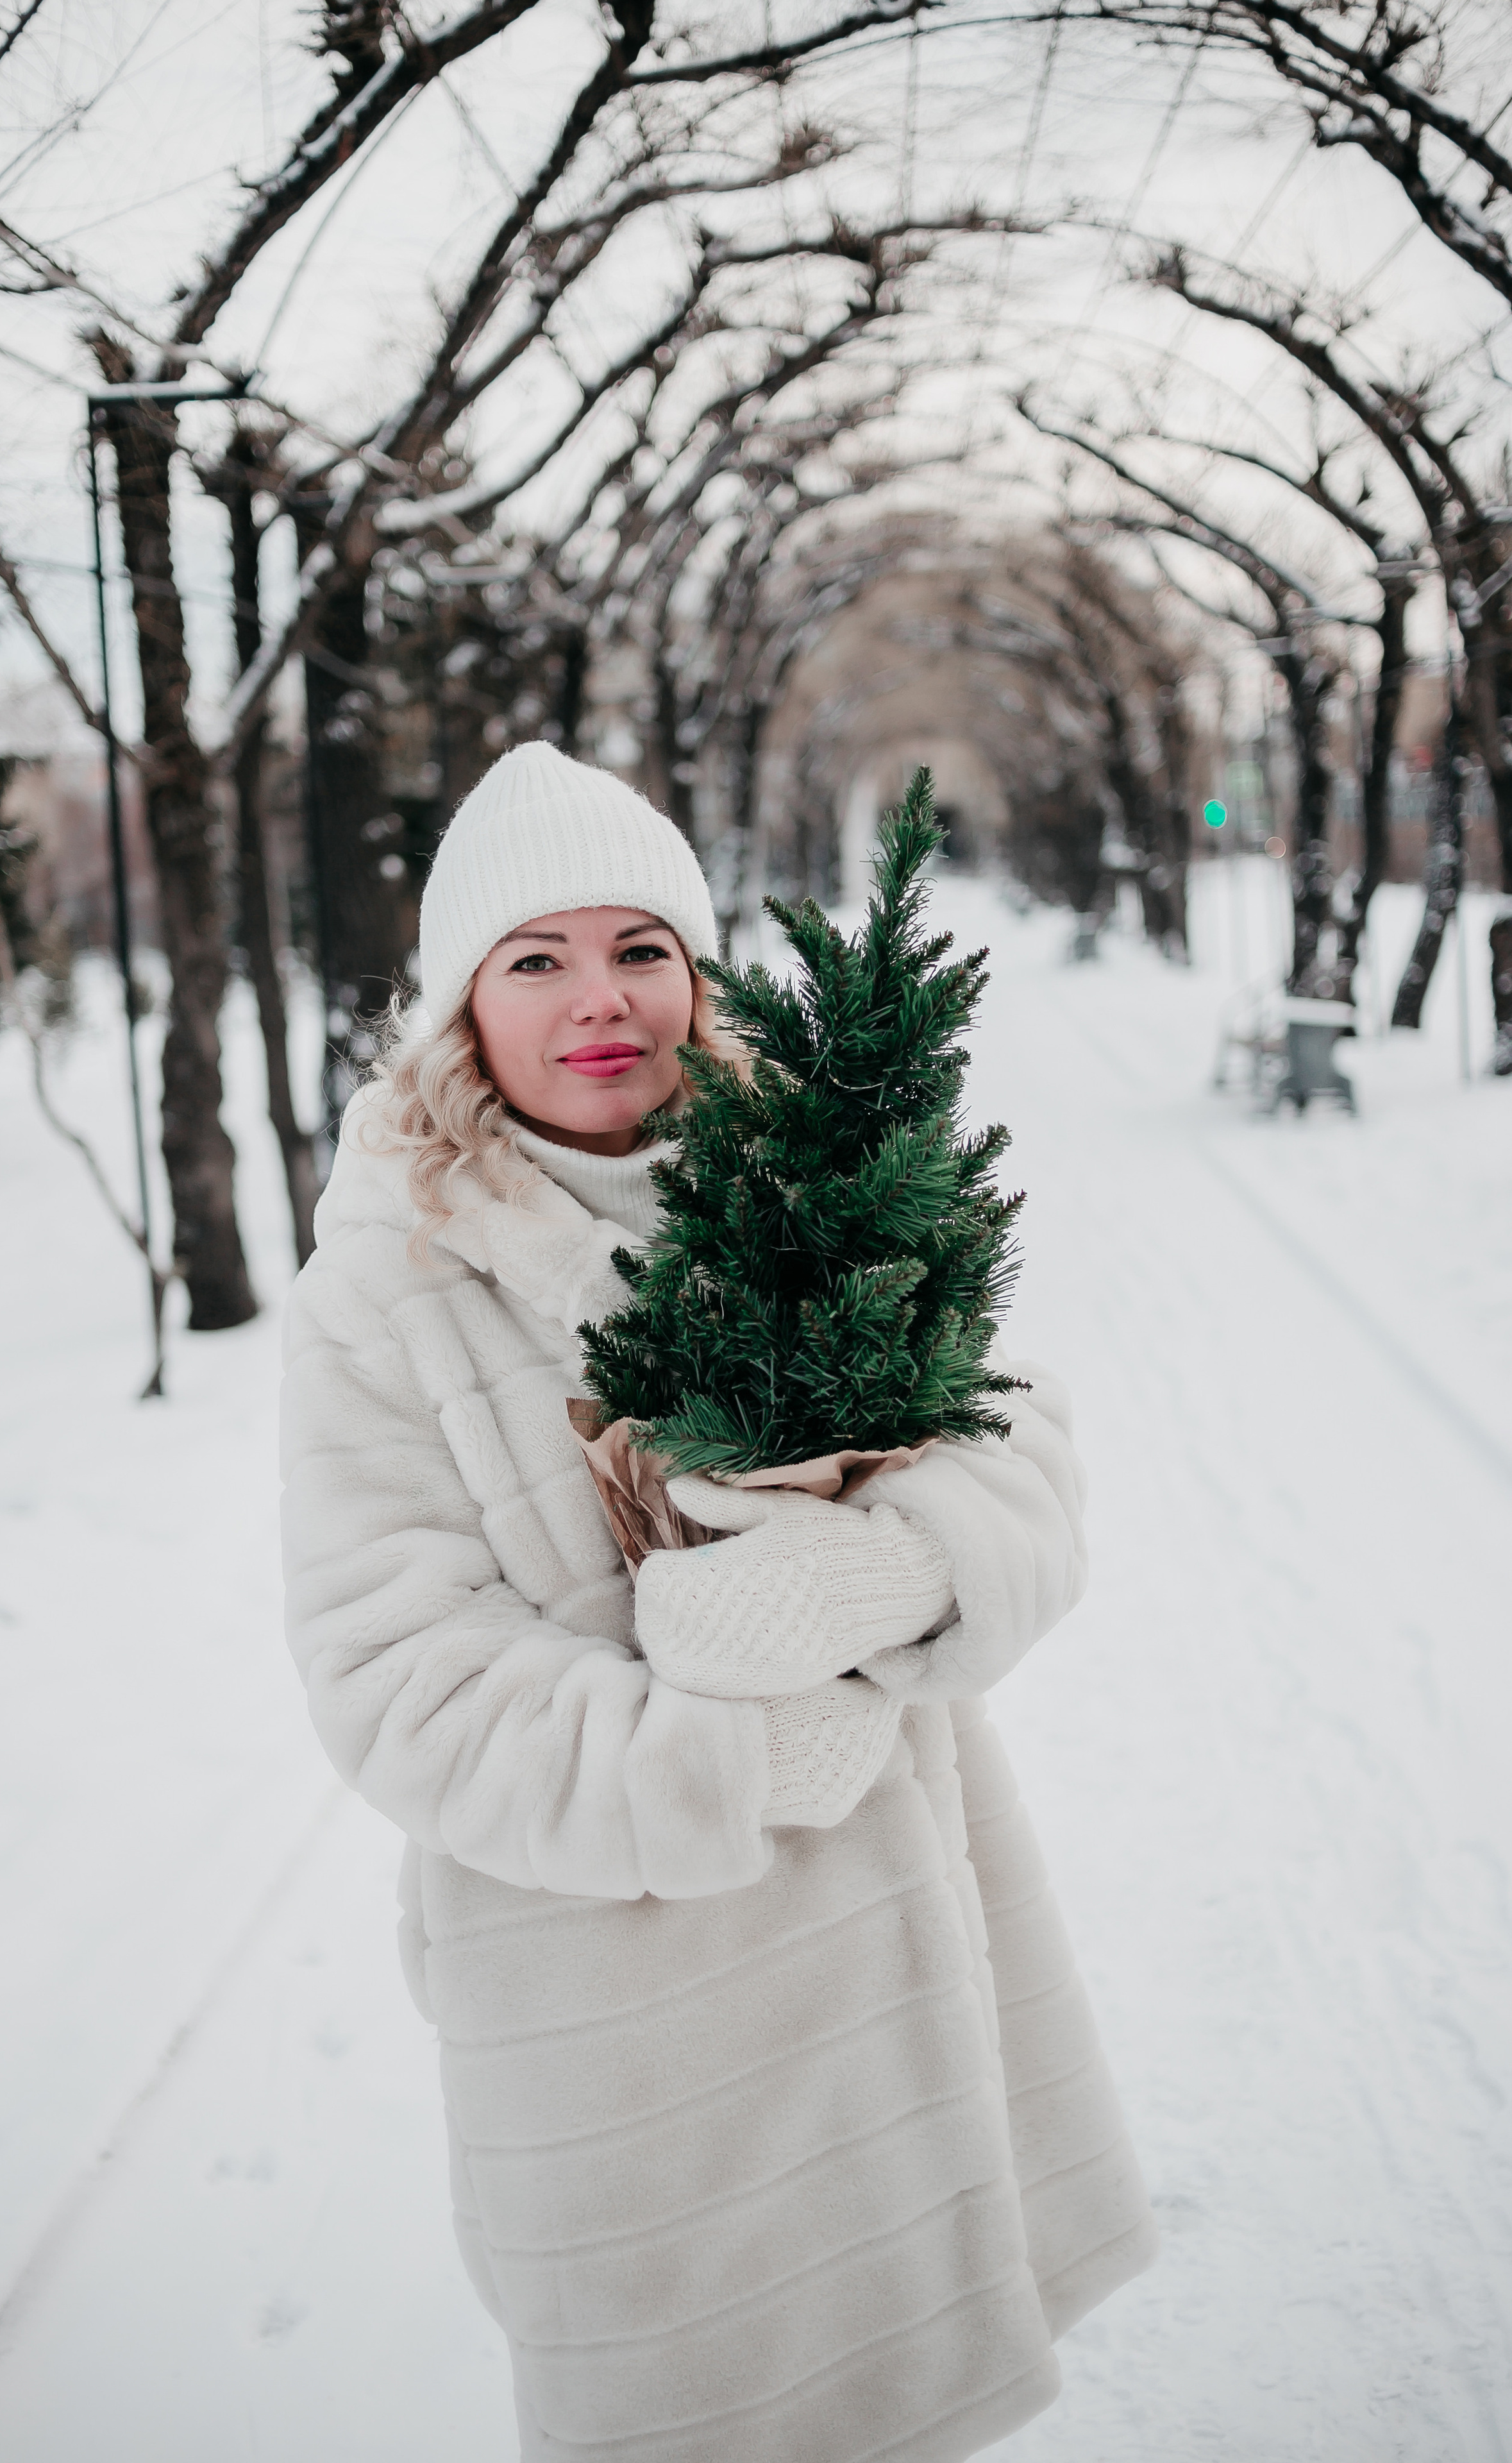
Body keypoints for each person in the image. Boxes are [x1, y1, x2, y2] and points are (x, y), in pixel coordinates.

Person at [280, 741, 1155, 2463]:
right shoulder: (383, 1285)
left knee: (913, 2390)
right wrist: (737, 1755)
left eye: (640, 950)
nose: (599, 999)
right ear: (466, 1002)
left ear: (698, 974)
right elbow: (399, 1680)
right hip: (626, 1999)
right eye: (536, 959)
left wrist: (900, 1566)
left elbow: (1018, 1436)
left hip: (899, 1934)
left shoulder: (808, 1187)